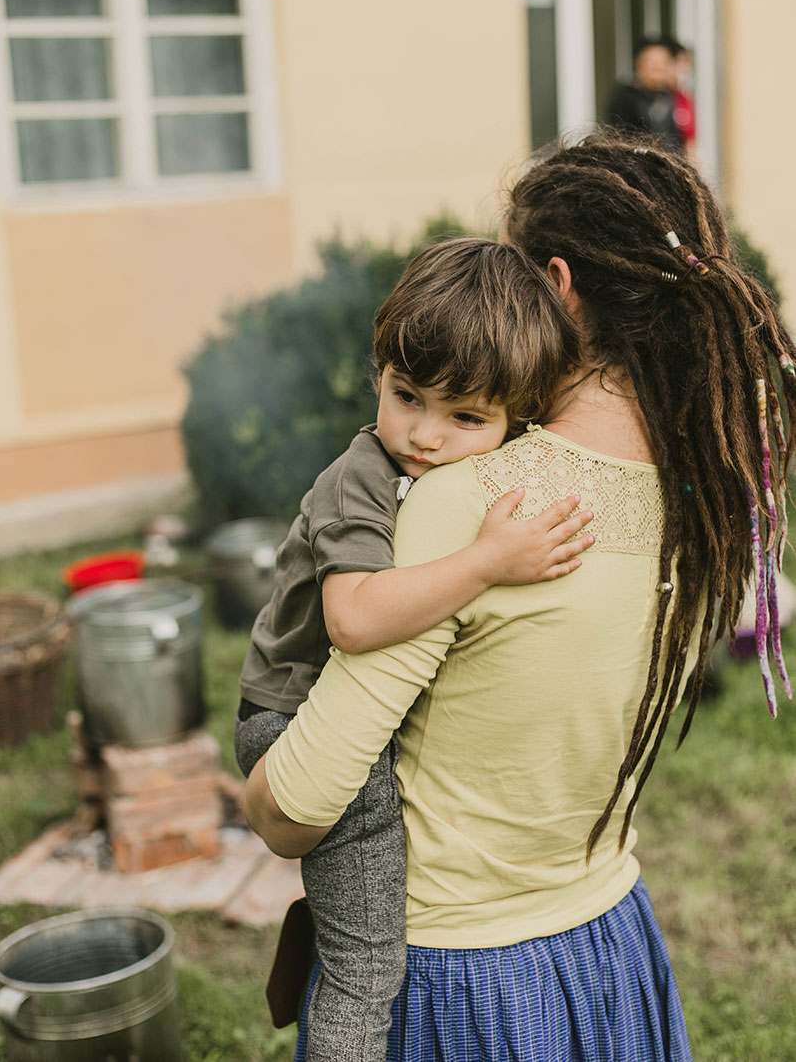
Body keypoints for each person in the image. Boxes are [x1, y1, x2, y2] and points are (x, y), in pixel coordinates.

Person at [243, 130, 796, 1061]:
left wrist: (258, 784)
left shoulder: (474, 501)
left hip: (459, 981)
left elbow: (295, 803)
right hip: (608, 945)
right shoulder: (701, 499)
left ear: (559, 283)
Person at [235, 236, 592, 1061]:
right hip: (294, 718)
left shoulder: (462, 470)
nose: (425, 435)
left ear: (516, 420)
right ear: (379, 377)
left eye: (465, 417)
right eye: (407, 397)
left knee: (359, 907)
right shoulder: (359, 478)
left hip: (351, 718)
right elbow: (354, 618)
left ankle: (322, 924)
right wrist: (488, 562)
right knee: (368, 963)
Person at [607, 36, 684, 153]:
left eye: (664, 64)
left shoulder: (668, 96)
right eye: (653, 65)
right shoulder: (625, 98)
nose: (659, 70)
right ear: (638, 65)